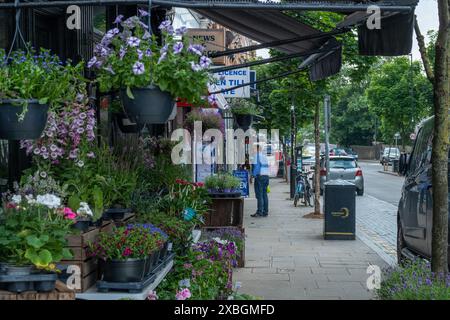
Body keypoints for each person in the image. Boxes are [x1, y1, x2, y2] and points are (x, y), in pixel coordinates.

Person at [251, 144, 269, 217]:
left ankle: (259, 212)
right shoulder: (264, 156)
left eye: (254, 149)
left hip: (259, 177)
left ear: (258, 149)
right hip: (266, 176)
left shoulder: (256, 156)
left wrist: (253, 175)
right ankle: (265, 211)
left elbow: (256, 167)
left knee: (259, 195)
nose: (253, 150)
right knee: (264, 194)